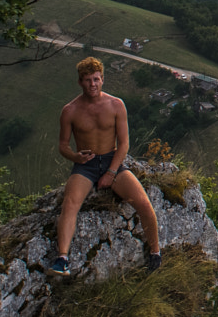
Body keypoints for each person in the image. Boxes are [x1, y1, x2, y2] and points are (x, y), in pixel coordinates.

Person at [52, 56, 162, 274]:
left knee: (142, 202)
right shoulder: (70, 110)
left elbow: (124, 144)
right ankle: (62, 259)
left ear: (102, 79)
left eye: (96, 79)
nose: (92, 84)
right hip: (86, 165)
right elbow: (63, 146)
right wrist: (76, 158)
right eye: (87, 80)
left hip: (112, 160)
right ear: (80, 82)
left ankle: (155, 252)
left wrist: (111, 172)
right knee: (70, 203)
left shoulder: (116, 105)